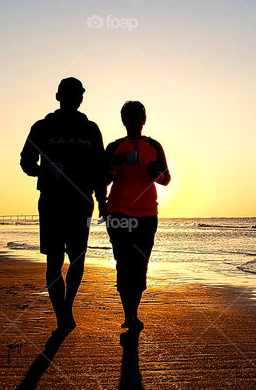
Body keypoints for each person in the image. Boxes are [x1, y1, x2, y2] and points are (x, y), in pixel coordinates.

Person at [19, 77, 106, 337]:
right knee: (54, 260)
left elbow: (100, 168)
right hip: (52, 201)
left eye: (76, 95)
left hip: (82, 202)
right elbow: (25, 161)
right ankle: (62, 315)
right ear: (58, 97)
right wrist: (44, 171)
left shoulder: (91, 129)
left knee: (77, 259)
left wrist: (103, 200)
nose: (73, 99)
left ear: (81, 98)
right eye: (68, 95)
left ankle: (67, 307)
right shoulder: (43, 127)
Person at [103, 100, 170, 339]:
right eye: (128, 118)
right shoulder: (114, 147)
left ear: (143, 120)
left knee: (140, 264)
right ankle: (129, 314)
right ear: (123, 120)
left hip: (146, 215)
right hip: (119, 213)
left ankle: (134, 312)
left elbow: (166, 179)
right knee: (123, 262)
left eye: (136, 117)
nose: (133, 122)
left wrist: (156, 173)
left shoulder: (154, 145)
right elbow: (102, 180)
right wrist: (114, 166)